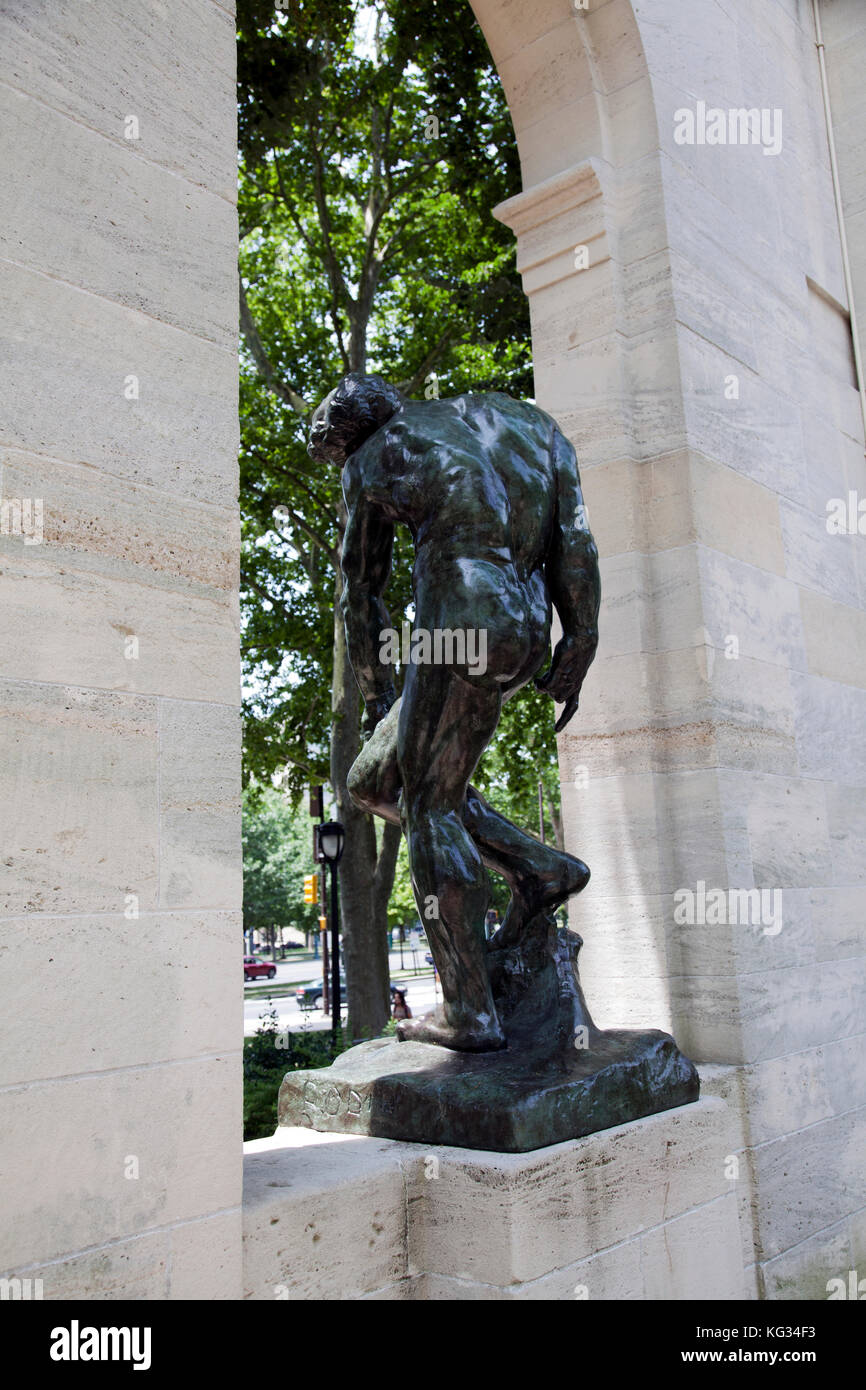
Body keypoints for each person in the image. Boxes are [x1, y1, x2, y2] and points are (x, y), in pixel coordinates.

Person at [308, 374, 599, 1052]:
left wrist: (378, 688)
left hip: (459, 620)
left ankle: (468, 1012)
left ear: (346, 436)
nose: (340, 473)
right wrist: (580, 634)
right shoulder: (528, 425)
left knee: (430, 804)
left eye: (333, 460)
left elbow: (360, 593)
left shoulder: (373, 454)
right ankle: (540, 868)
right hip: (523, 625)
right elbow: (575, 540)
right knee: (375, 782)